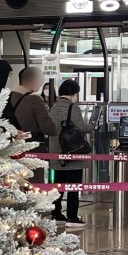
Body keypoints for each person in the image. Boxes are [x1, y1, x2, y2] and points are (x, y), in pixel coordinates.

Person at [48, 79, 90, 228]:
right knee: (73, 186)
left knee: (58, 185)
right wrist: (92, 126)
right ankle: (72, 216)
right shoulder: (73, 108)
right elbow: (82, 127)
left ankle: (56, 213)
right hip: (72, 151)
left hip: (56, 151)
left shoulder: (53, 108)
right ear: (73, 94)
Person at [9, 67, 58, 183]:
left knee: (14, 186)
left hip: (11, 148)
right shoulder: (35, 100)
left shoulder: (6, 97)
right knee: (34, 187)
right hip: (33, 149)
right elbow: (50, 128)